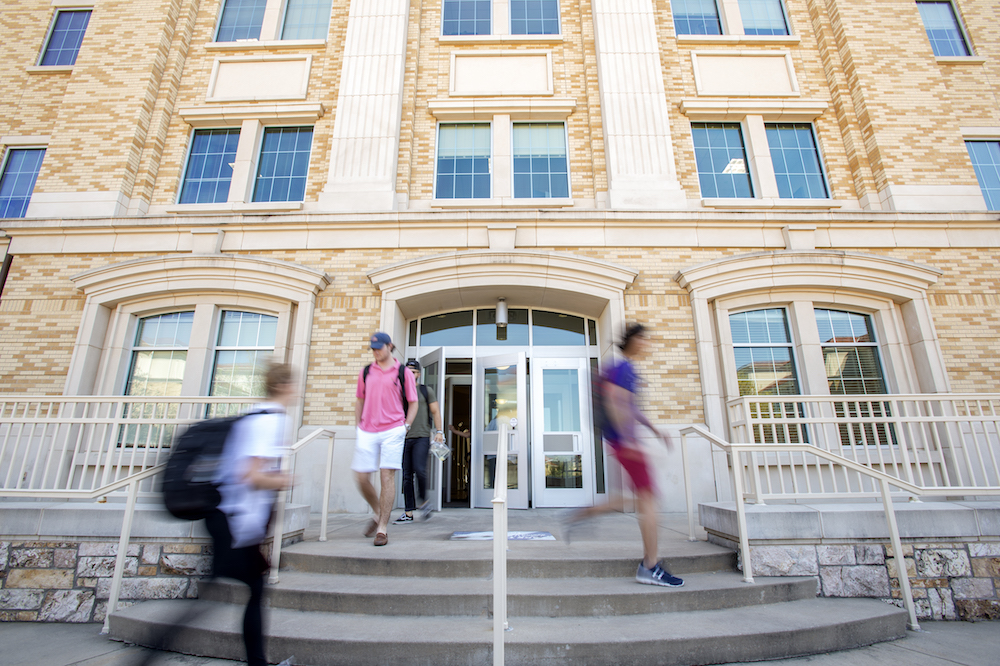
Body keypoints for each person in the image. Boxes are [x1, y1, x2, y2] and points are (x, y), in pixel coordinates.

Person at [565, 323, 684, 588]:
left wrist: (654, 430)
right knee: (649, 500)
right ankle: (650, 566)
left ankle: (582, 514)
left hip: (623, 443)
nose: (646, 343)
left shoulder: (621, 368)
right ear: (631, 340)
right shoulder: (625, 368)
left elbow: (630, 406)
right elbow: (615, 401)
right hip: (626, 444)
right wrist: (629, 440)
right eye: (643, 338)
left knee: (635, 500)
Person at [206, 362, 296, 666]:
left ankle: (256, 661)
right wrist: (284, 480)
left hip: (230, 519)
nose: (296, 391)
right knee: (253, 589)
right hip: (234, 521)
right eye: (293, 385)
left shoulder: (257, 415)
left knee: (252, 588)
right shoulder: (269, 421)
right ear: (283, 387)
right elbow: (251, 474)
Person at [354, 332, 418, 546]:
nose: (376, 351)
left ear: (390, 346)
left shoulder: (402, 372)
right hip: (367, 430)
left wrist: (405, 427)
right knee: (362, 478)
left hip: (393, 429)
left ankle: (382, 528)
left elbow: (413, 402)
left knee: (386, 476)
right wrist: (358, 426)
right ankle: (379, 511)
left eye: (379, 347)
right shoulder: (366, 372)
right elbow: (359, 400)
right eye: (373, 348)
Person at [392, 360, 445, 524]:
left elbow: (435, 411)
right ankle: (408, 513)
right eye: (408, 371)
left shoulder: (424, 390)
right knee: (407, 476)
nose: (411, 374)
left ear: (419, 374)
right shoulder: (399, 391)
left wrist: (439, 431)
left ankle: (424, 501)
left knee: (420, 470)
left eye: (414, 371)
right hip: (404, 438)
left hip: (422, 436)